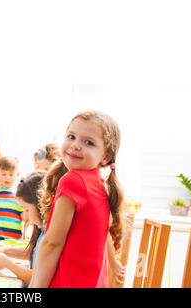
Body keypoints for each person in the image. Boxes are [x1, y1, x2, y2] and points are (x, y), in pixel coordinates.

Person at [30, 110, 125, 288]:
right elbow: (102, 236)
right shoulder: (100, 184)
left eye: (88, 142)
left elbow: (52, 243)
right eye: (71, 136)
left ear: (105, 157)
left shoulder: (73, 181)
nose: (75, 145)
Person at [0, 171, 46, 285]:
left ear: (40, 204)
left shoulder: (51, 234)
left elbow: (38, 279)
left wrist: (8, 264)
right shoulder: (41, 228)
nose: (25, 215)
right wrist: (5, 251)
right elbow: (34, 252)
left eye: (27, 209)